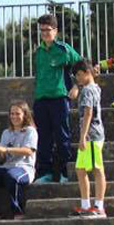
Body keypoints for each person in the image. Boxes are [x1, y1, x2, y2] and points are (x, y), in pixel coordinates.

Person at [32, 14, 80, 183]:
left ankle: (65, 172)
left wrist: (77, 86)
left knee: (62, 136)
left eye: (48, 29)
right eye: (42, 30)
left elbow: (83, 66)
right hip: (41, 98)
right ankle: (45, 172)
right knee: (43, 137)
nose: (45, 33)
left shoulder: (63, 49)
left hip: (59, 98)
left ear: (56, 31)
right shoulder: (38, 51)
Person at [0, 101, 38, 219]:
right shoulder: (6, 132)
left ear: (25, 115)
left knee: (11, 176)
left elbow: (28, 151)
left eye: (17, 114)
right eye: (12, 114)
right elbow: (3, 158)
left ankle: (17, 210)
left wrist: (6, 150)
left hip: (24, 168)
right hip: (6, 167)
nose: (14, 116)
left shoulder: (30, 131)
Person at [69, 60, 107, 217]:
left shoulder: (87, 90)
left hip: (91, 135)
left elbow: (88, 113)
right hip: (92, 135)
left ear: (87, 73)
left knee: (97, 169)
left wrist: (83, 136)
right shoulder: (94, 88)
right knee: (80, 169)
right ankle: (86, 205)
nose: (78, 78)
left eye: (79, 75)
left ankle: (99, 206)